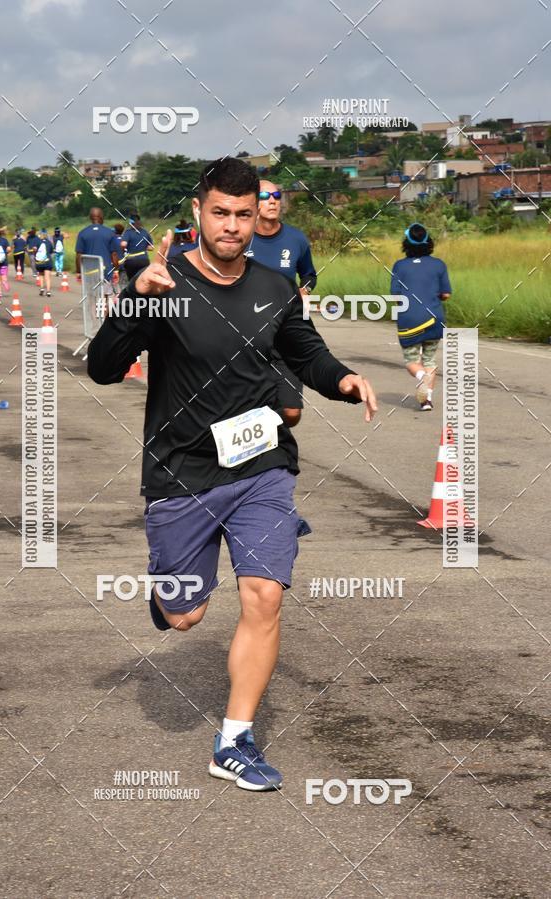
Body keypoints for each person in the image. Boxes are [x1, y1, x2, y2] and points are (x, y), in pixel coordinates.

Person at [87, 157, 377, 792]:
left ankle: (234, 741)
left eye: (244, 215)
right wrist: (136, 302)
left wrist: (345, 380)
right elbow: (104, 369)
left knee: (264, 596)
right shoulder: (160, 281)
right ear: (198, 213)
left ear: (258, 218)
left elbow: (307, 352)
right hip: (183, 472)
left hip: (260, 467)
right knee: (187, 615)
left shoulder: (275, 286)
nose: (233, 226)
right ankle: (171, 598)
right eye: (221, 213)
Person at [246, 180, 317, 429]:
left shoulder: (296, 238)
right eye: (265, 195)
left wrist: (304, 289)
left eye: (276, 195)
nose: (273, 200)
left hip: (287, 334)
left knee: (291, 412)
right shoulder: (241, 239)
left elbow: (310, 274)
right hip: (247, 336)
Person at [390, 222, 451, 412]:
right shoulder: (439, 264)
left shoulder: (400, 266)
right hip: (434, 318)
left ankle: (421, 378)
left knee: (411, 361)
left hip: (409, 320)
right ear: (428, 242)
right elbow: (446, 294)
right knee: (430, 360)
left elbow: (395, 295)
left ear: (406, 243)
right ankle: (426, 401)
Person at [75, 208, 120, 301]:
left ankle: (95, 315)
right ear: (101, 217)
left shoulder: (83, 233)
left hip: (89, 272)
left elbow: (79, 255)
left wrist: (79, 272)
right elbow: (114, 254)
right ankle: (104, 314)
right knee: (106, 297)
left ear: (90, 218)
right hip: (106, 272)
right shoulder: (110, 233)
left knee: (92, 299)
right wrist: (116, 270)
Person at [120, 215, 154, 280]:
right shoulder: (145, 232)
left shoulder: (128, 232)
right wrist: (142, 246)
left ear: (131, 223)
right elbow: (151, 247)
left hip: (131, 261)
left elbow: (123, 244)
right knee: (143, 280)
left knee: (132, 281)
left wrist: (123, 250)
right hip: (144, 260)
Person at [32, 228, 54, 297]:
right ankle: (48, 291)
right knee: (47, 277)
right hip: (47, 262)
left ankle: (42, 288)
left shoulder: (37, 242)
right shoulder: (49, 242)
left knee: (41, 275)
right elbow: (51, 252)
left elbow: (34, 250)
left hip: (39, 263)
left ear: (40, 235)